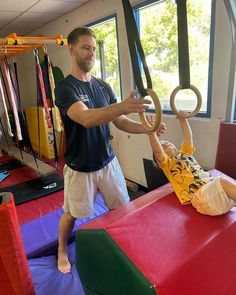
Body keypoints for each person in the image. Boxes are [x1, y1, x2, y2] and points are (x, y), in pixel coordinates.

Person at [55, 26, 165, 274]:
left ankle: (124, 246)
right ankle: (61, 249)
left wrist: (148, 129)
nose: (91, 53)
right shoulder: (65, 88)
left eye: (94, 49)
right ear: (72, 49)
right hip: (80, 168)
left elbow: (120, 121)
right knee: (72, 214)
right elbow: (85, 118)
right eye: (85, 47)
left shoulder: (104, 87)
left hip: (108, 163)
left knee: (122, 209)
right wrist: (123, 106)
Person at [147, 111, 236, 217]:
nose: (164, 143)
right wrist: (152, 134)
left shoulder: (185, 153)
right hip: (201, 197)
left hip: (217, 195)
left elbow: (188, 138)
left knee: (225, 184)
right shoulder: (168, 163)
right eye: (162, 145)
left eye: (166, 142)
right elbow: (157, 151)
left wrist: (183, 120)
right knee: (223, 181)